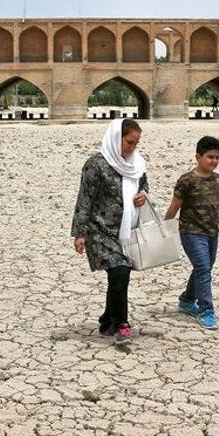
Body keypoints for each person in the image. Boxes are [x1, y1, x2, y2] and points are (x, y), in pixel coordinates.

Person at [72, 118, 148, 345]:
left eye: (136, 143)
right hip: (100, 230)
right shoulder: (96, 165)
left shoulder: (136, 163)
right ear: (116, 139)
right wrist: (80, 233)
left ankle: (107, 320)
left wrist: (142, 195)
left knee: (118, 274)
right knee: (120, 272)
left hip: (126, 229)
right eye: (129, 142)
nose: (132, 148)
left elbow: (143, 185)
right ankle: (121, 324)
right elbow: (84, 200)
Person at [164, 136, 219, 329]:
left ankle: (186, 300)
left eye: (217, 157)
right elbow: (174, 207)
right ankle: (206, 310)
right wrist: (164, 228)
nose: (214, 161)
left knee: (204, 268)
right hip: (191, 232)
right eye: (210, 157)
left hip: (212, 233)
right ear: (198, 157)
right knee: (203, 268)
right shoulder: (186, 180)